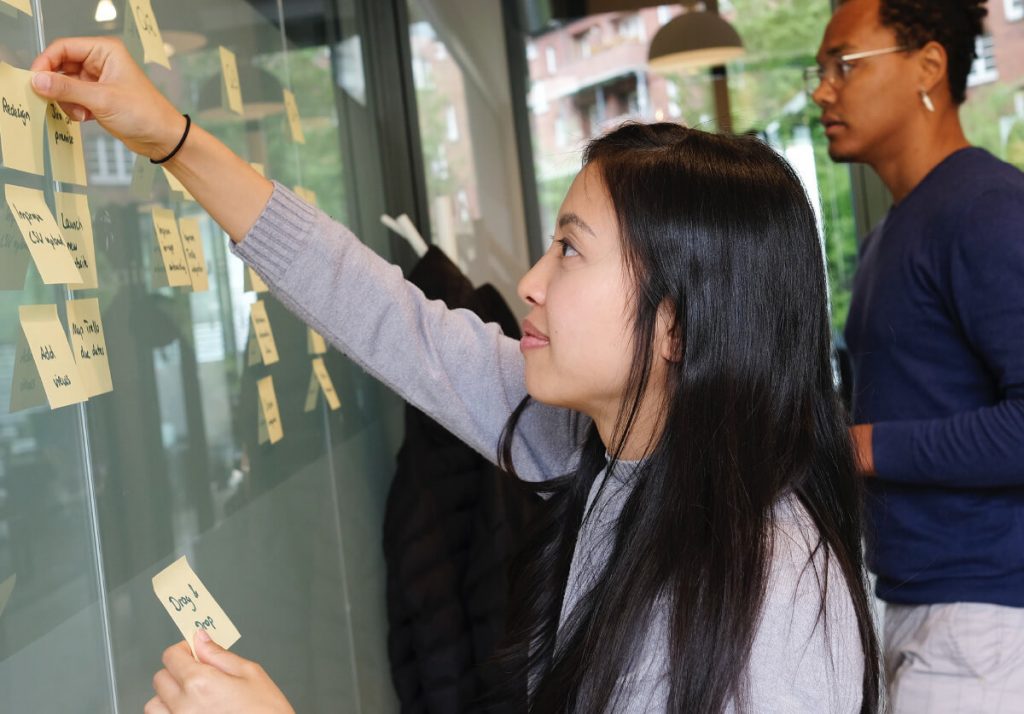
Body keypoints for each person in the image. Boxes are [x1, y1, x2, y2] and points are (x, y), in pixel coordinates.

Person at [30, 37, 882, 713]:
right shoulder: (593, 442)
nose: (530, 282)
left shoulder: (771, 596)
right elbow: (376, 309)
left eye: (571, 251)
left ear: (675, 327)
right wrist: (170, 137)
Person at [810, 0, 1024, 711]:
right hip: (915, 607)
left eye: (844, 64)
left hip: (985, 620)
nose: (822, 89)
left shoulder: (988, 208)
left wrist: (863, 448)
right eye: (820, 70)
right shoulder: (892, 233)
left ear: (929, 65)